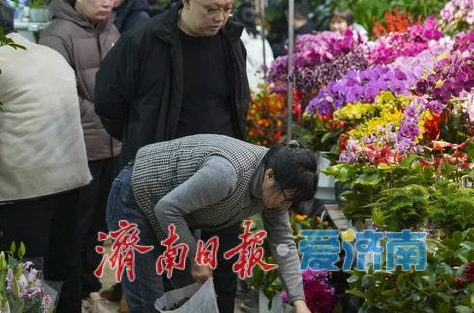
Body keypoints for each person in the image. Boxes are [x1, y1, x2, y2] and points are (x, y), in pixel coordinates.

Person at [95, 0, 250, 312]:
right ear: (186, 1)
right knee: (168, 281)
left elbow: (236, 105)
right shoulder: (146, 42)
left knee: (222, 276)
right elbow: (108, 101)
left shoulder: (230, 41)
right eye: (211, 9)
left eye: (227, 8)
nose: (220, 17)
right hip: (162, 180)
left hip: (221, 181)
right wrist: (141, 142)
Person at [0, 2, 91, 313]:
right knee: (64, 265)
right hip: (72, 178)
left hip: (28, 188)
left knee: (28, 273)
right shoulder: (49, 54)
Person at [106, 134, 317, 313]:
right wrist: (195, 257)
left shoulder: (277, 187)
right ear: (270, 176)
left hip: (177, 218)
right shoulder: (226, 174)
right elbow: (166, 209)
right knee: (148, 302)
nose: (285, 205)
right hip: (136, 200)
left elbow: (283, 244)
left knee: (186, 299)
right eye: (287, 197)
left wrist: (299, 303)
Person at [38, 0, 121, 307]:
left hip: (112, 144)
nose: (107, 3)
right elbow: (60, 94)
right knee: (74, 227)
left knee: (100, 227)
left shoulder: (112, 29)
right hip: (79, 147)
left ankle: (90, 286)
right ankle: (70, 296)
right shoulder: (57, 34)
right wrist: (110, 114)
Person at [236, 3, 274, 91]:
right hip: (263, 86)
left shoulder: (236, 40)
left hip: (245, 87)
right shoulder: (261, 40)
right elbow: (270, 64)